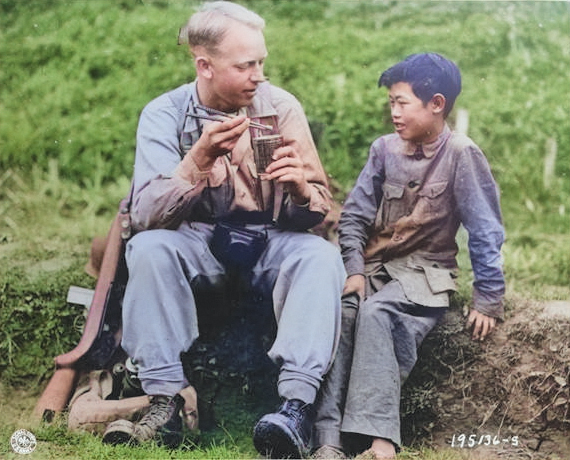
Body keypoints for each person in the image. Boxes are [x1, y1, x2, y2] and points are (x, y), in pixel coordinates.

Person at [100, 2, 345, 458]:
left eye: (262, 62)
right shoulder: (163, 114)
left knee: (320, 257)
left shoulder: (281, 106)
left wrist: (298, 189)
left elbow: (322, 211)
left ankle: (295, 406)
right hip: (195, 239)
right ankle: (165, 401)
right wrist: (197, 161)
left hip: (270, 239)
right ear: (205, 66)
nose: (259, 75)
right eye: (246, 65)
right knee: (151, 248)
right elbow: (147, 213)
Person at [311, 53, 505, 459]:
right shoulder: (384, 150)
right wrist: (354, 270)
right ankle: (328, 441)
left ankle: (380, 444)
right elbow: (354, 218)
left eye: (402, 102)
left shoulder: (461, 154)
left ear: (436, 103)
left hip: (424, 275)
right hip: (376, 266)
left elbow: (485, 229)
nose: (394, 113)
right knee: (345, 313)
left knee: (379, 314)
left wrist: (488, 297)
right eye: (391, 103)